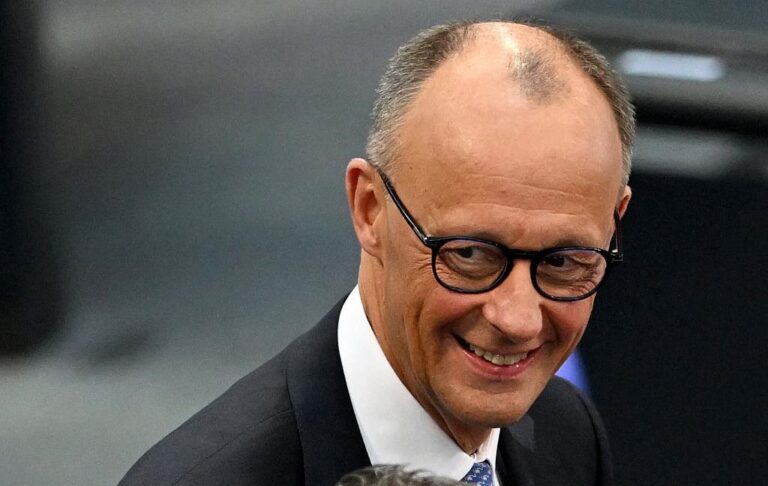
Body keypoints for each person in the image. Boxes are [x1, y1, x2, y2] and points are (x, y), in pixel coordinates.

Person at [120, 18, 633, 486]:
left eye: (563, 262)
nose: (518, 320)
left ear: (616, 222)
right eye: (471, 255)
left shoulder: (568, 431)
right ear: (369, 209)